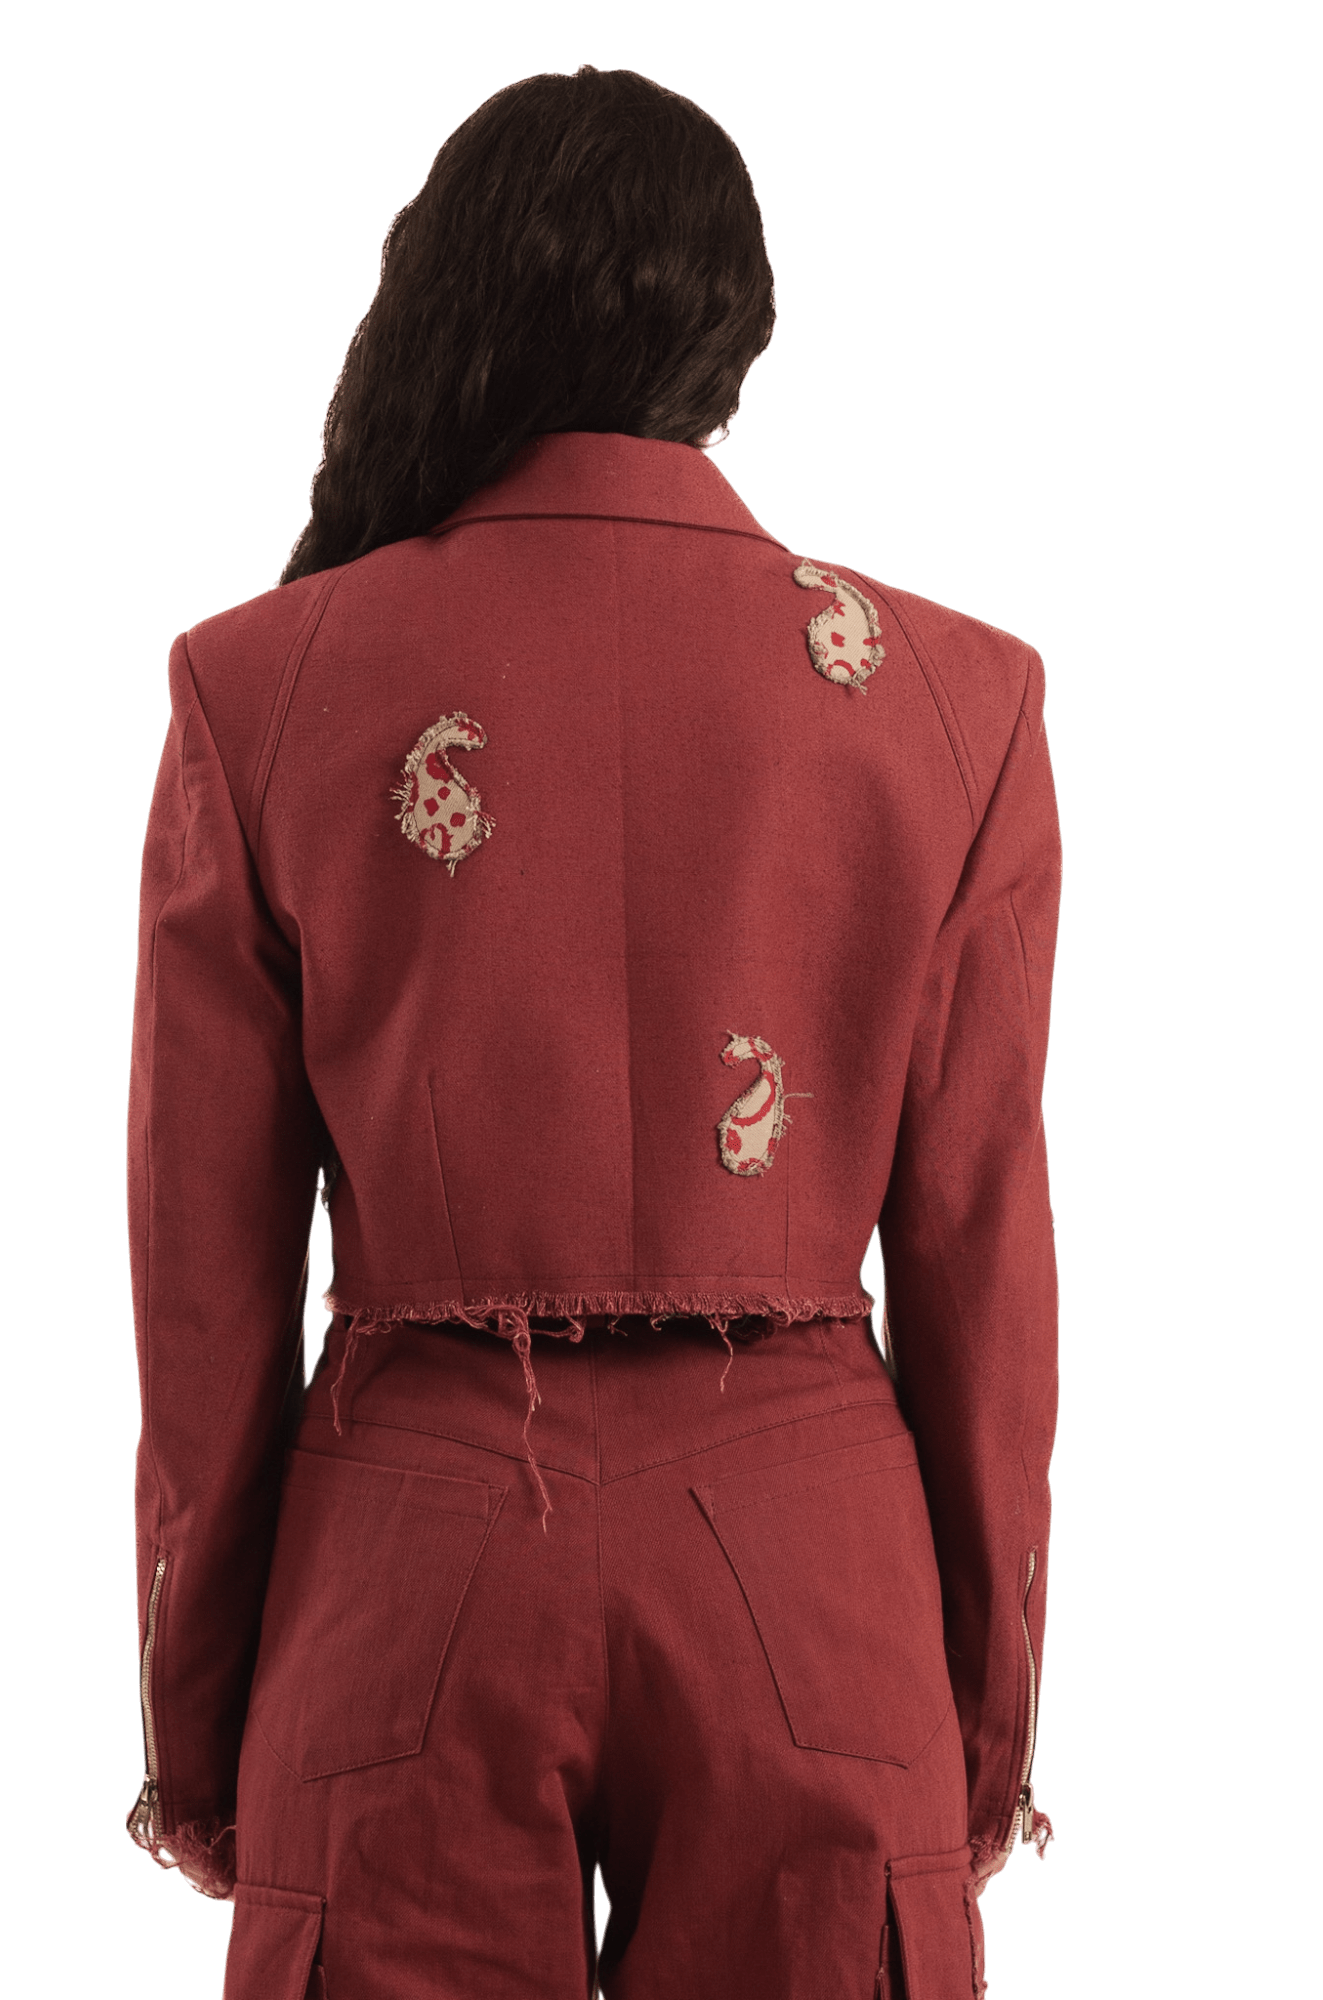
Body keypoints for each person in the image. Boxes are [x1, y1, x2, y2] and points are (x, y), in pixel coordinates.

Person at [123, 63, 1061, 2000]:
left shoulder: (262, 682)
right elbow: (980, 1259)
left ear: (457, 306)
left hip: (412, 1563)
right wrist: (980, 1726)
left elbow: (202, 1277)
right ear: (735, 338)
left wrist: (203, 1728)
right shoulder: (954, 702)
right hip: (815, 1569)